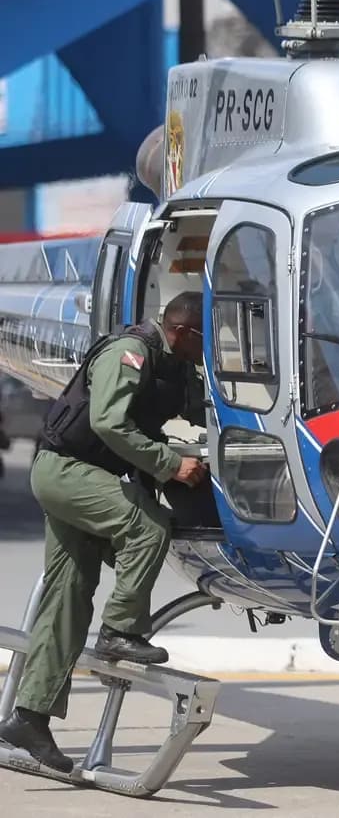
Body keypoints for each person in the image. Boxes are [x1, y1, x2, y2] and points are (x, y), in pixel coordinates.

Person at [0, 293, 208, 774]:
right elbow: (108, 423)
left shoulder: (172, 364)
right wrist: (170, 465)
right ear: (182, 331)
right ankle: (120, 631)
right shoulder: (127, 353)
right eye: (205, 340)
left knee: (67, 594)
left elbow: (204, 408)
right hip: (66, 471)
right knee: (147, 527)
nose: (208, 353)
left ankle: (28, 717)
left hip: (83, 476)